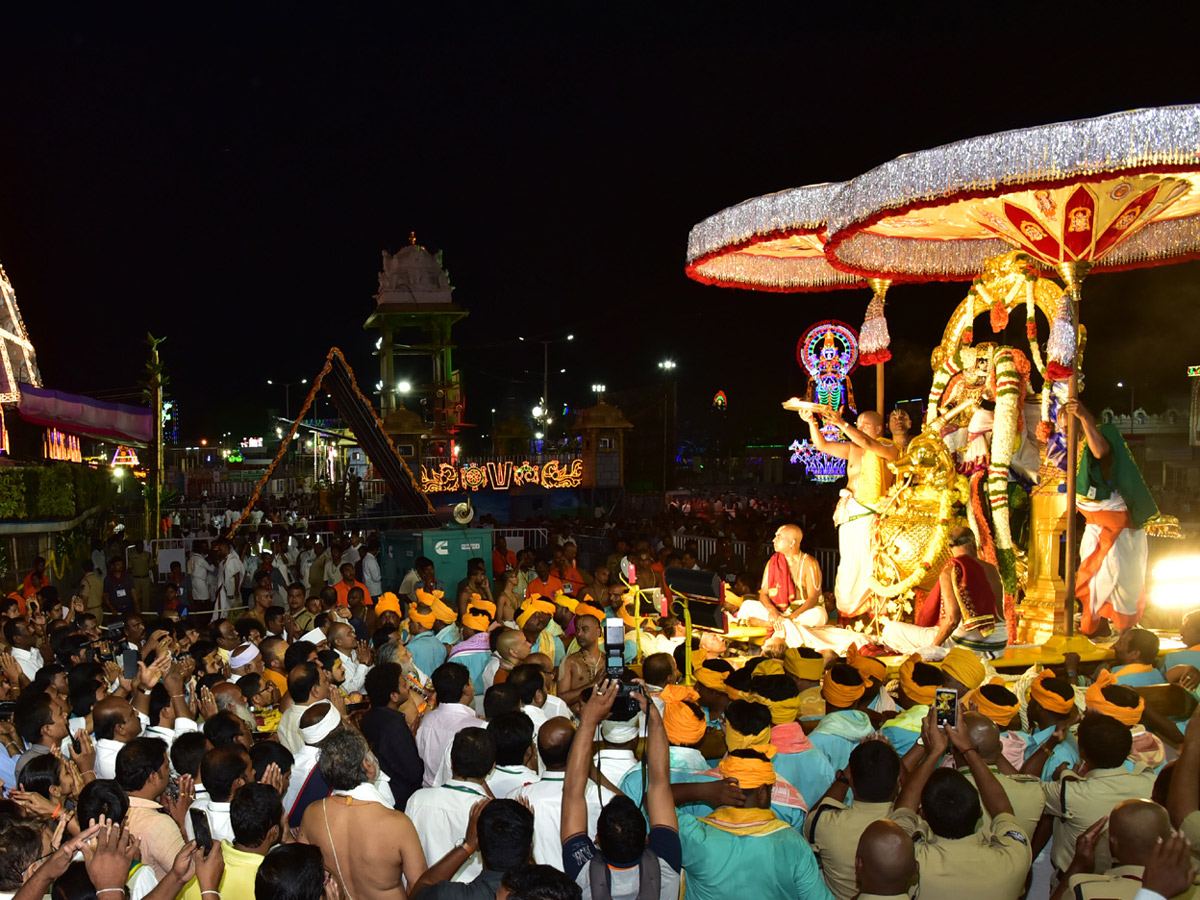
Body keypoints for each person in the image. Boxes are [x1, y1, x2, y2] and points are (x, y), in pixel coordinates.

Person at [890, 710, 1031, 900]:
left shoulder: (911, 859)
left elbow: (904, 809)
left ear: (923, 815)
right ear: (981, 812)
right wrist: (968, 750)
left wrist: (933, 753)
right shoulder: (1013, 860)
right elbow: (1002, 808)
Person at [562, 680, 682, 900]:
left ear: (596, 839)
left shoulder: (583, 874)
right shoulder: (666, 864)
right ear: (647, 838)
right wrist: (653, 716)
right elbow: (659, 782)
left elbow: (572, 792)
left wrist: (587, 721)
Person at [298, 726, 428, 898]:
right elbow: (420, 887)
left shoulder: (312, 814)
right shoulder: (398, 823)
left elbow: (303, 874)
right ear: (367, 765)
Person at [1064, 399, 1158, 636]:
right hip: (1095, 524)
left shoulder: (1101, 433)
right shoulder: (1070, 445)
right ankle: (1099, 627)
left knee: (1121, 579)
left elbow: (1100, 452)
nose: (1064, 429)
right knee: (1096, 580)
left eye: (1067, 423)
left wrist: (1085, 417)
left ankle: (1127, 633)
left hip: (1118, 524)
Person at [799, 404, 898, 619]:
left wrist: (841, 423)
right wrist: (812, 423)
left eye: (866, 425)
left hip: (870, 513)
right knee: (848, 566)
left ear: (880, 429)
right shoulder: (853, 448)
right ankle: (848, 612)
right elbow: (822, 445)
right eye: (858, 424)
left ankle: (873, 612)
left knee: (868, 564)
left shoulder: (887, 448)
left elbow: (867, 442)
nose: (860, 428)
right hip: (849, 512)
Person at [1043, 712, 1156, 873]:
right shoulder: (1150, 782)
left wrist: (1061, 770)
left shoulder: (1066, 794)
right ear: (1128, 748)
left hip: (1074, 889)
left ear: (1082, 752)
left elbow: (1018, 787)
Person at [882, 527, 1006, 655]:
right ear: (975, 545)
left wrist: (932, 648)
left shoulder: (952, 569)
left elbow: (952, 619)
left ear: (949, 549)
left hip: (971, 646)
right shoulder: (991, 569)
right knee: (937, 632)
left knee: (890, 630)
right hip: (999, 644)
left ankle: (930, 652)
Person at [804, 739, 901, 900]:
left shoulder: (824, 824)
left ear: (851, 779)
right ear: (898, 780)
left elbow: (814, 817)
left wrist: (845, 776)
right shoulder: (907, 826)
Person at [516, 716, 613, 869]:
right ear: (578, 751)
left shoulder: (517, 798)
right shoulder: (603, 799)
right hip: (588, 887)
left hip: (537, 888)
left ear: (538, 751)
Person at [407, 728, 497, 883]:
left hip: (424, 893)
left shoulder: (417, 800)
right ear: (492, 768)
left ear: (451, 761)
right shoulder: (490, 810)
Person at [410, 798, 535, 900]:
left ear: (479, 843)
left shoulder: (449, 895)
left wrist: (467, 846)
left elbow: (420, 890)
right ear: (530, 846)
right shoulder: (548, 893)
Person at [1054, 798, 1179, 900]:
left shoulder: (1084, 891)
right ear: (1169, 841)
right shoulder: (1193, 891)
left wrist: (1078, 865)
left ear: (1113, 844)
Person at [736, 524, 826, 646]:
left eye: (778, 537)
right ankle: (782, 625)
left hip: (801, 613)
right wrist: (772, 610)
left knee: (818, 614)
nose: (774, 540)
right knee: (748, 605)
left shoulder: (809, 563)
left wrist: (791, 617)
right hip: (779, 612)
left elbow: (813, 598)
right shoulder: (772, 562)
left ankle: (769, 624)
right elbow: (764, 594)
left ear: (792, 542)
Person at [116, 736, 190, 879]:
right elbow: (188, 874)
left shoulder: (113, 808)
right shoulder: (158, 824)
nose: (170, 774)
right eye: (167, 767)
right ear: (153, 777)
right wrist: (182, 822)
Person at [362, 661, 425, 810]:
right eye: (404, 685)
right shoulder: (393, 725)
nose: (408, 687)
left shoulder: (369, 717)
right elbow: (413, 772)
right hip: (402, 799)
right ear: (394, 696)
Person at [417, 662, 481, 787]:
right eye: (470, 682)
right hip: (462, 796)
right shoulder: (478, 728)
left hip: (427, 793)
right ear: (466, 689)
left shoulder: (426, 721)